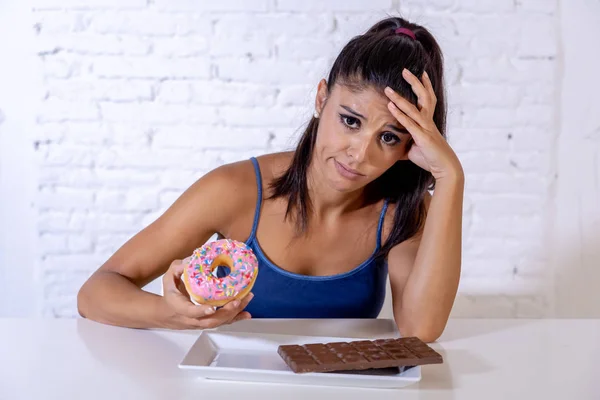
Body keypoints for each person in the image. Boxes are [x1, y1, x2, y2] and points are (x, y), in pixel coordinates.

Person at [77, 16, 464, 343]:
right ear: (320, 99)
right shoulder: (234, 190)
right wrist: (168, 313)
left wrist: (450, 176)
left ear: (411, 144)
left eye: (389, 137)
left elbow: (420, 328)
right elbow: (96, 293)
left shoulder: (401, 210)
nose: (359, 154)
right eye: (350, 121)